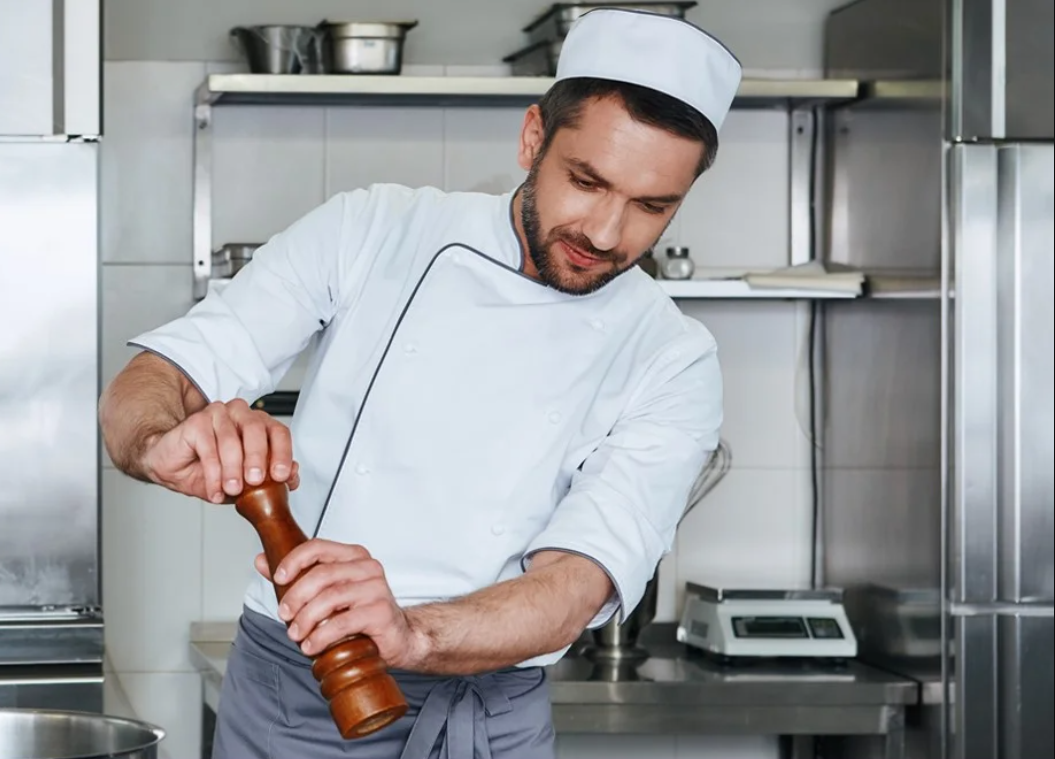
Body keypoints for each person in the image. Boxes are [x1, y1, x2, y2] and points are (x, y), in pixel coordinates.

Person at [99, 9, 741, 759]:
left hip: (494, 720)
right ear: (533, 137)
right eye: (587, 180)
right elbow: (155, 378)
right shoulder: (376, 230)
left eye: (651, 205)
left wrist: (411, 632)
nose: (604, 231)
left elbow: (575, 586)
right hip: (298, 696)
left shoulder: (674, 356)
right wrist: (156, 439)